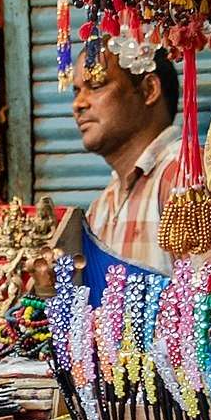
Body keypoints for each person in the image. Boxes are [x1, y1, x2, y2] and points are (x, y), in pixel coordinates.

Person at [70, 49, 195, 273]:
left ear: (149, 90)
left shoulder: (183, 177)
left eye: (96, 86)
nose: (78, 104)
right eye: (76, 91)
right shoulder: (101, 207)